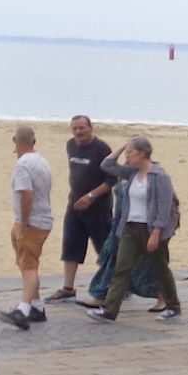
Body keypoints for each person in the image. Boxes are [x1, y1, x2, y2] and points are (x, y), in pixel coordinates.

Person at [90, 136, 181, 322]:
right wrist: (124, 145)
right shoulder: (131, 173)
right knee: (121, 269)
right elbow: (107, 165)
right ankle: (110, 311)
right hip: (130, 228)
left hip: (151, 229)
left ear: (142, 153)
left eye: (131, 152)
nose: (127, 156)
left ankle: (173, 306)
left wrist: (156, 233)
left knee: (160, 268)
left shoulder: (159, 176)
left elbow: (164, 208)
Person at [51, 114, 113, 301]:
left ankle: (114, 285)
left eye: (82, 128)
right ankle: (68, 288)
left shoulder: (101, 149)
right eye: (75, 129)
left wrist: (91, 196)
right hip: (75, 206)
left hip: (98, 208)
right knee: (70, 246)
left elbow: (112, 180)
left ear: (90, 128)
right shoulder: (71, 145)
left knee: (105, 249)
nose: (78, 132)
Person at [2, 125, 55, 329]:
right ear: (33, 141)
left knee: (29, 266)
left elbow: (26, 194)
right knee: (27, 264)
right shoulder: (42, 162)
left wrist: (23, 222)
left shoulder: (22, 165)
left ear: (16, 142)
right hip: (40, 220)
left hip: (31, 222)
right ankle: (36, 305)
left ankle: (23, 309)